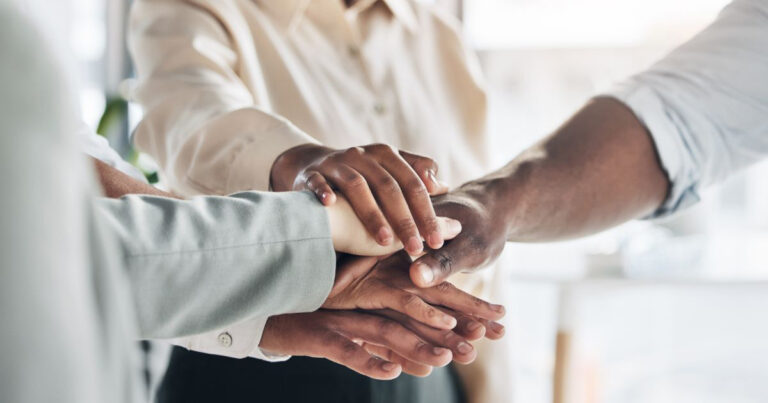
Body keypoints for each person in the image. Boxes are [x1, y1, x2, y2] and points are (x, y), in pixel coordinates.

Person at [0, 1, 506, 401]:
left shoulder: (442, 40)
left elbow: (480, 255)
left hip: (424, 370)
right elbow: (192, 119)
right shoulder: (193, 7)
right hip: (248, 368)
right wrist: (302, 167)